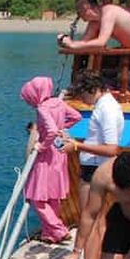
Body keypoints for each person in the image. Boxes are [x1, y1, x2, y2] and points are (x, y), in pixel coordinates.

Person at [60, 70, 124, 259]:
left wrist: (77, 146)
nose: (83, 102)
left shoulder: (106, 108)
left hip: (95, 170)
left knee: (92, 221)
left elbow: (111, 147)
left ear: (91, 90)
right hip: (96, 167)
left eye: (83, 96)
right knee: (98, 221)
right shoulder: (107, 105)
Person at [20, 76, 82, 243]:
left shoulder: (42, 108)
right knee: (53, 195)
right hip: (60, 152)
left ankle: (58, 229)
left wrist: (42, 146)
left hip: (47, 155)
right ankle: (50, 233)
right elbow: (76, 117)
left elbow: (52, 131)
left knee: (36, 197)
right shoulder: (58, 102)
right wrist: (63, 128)